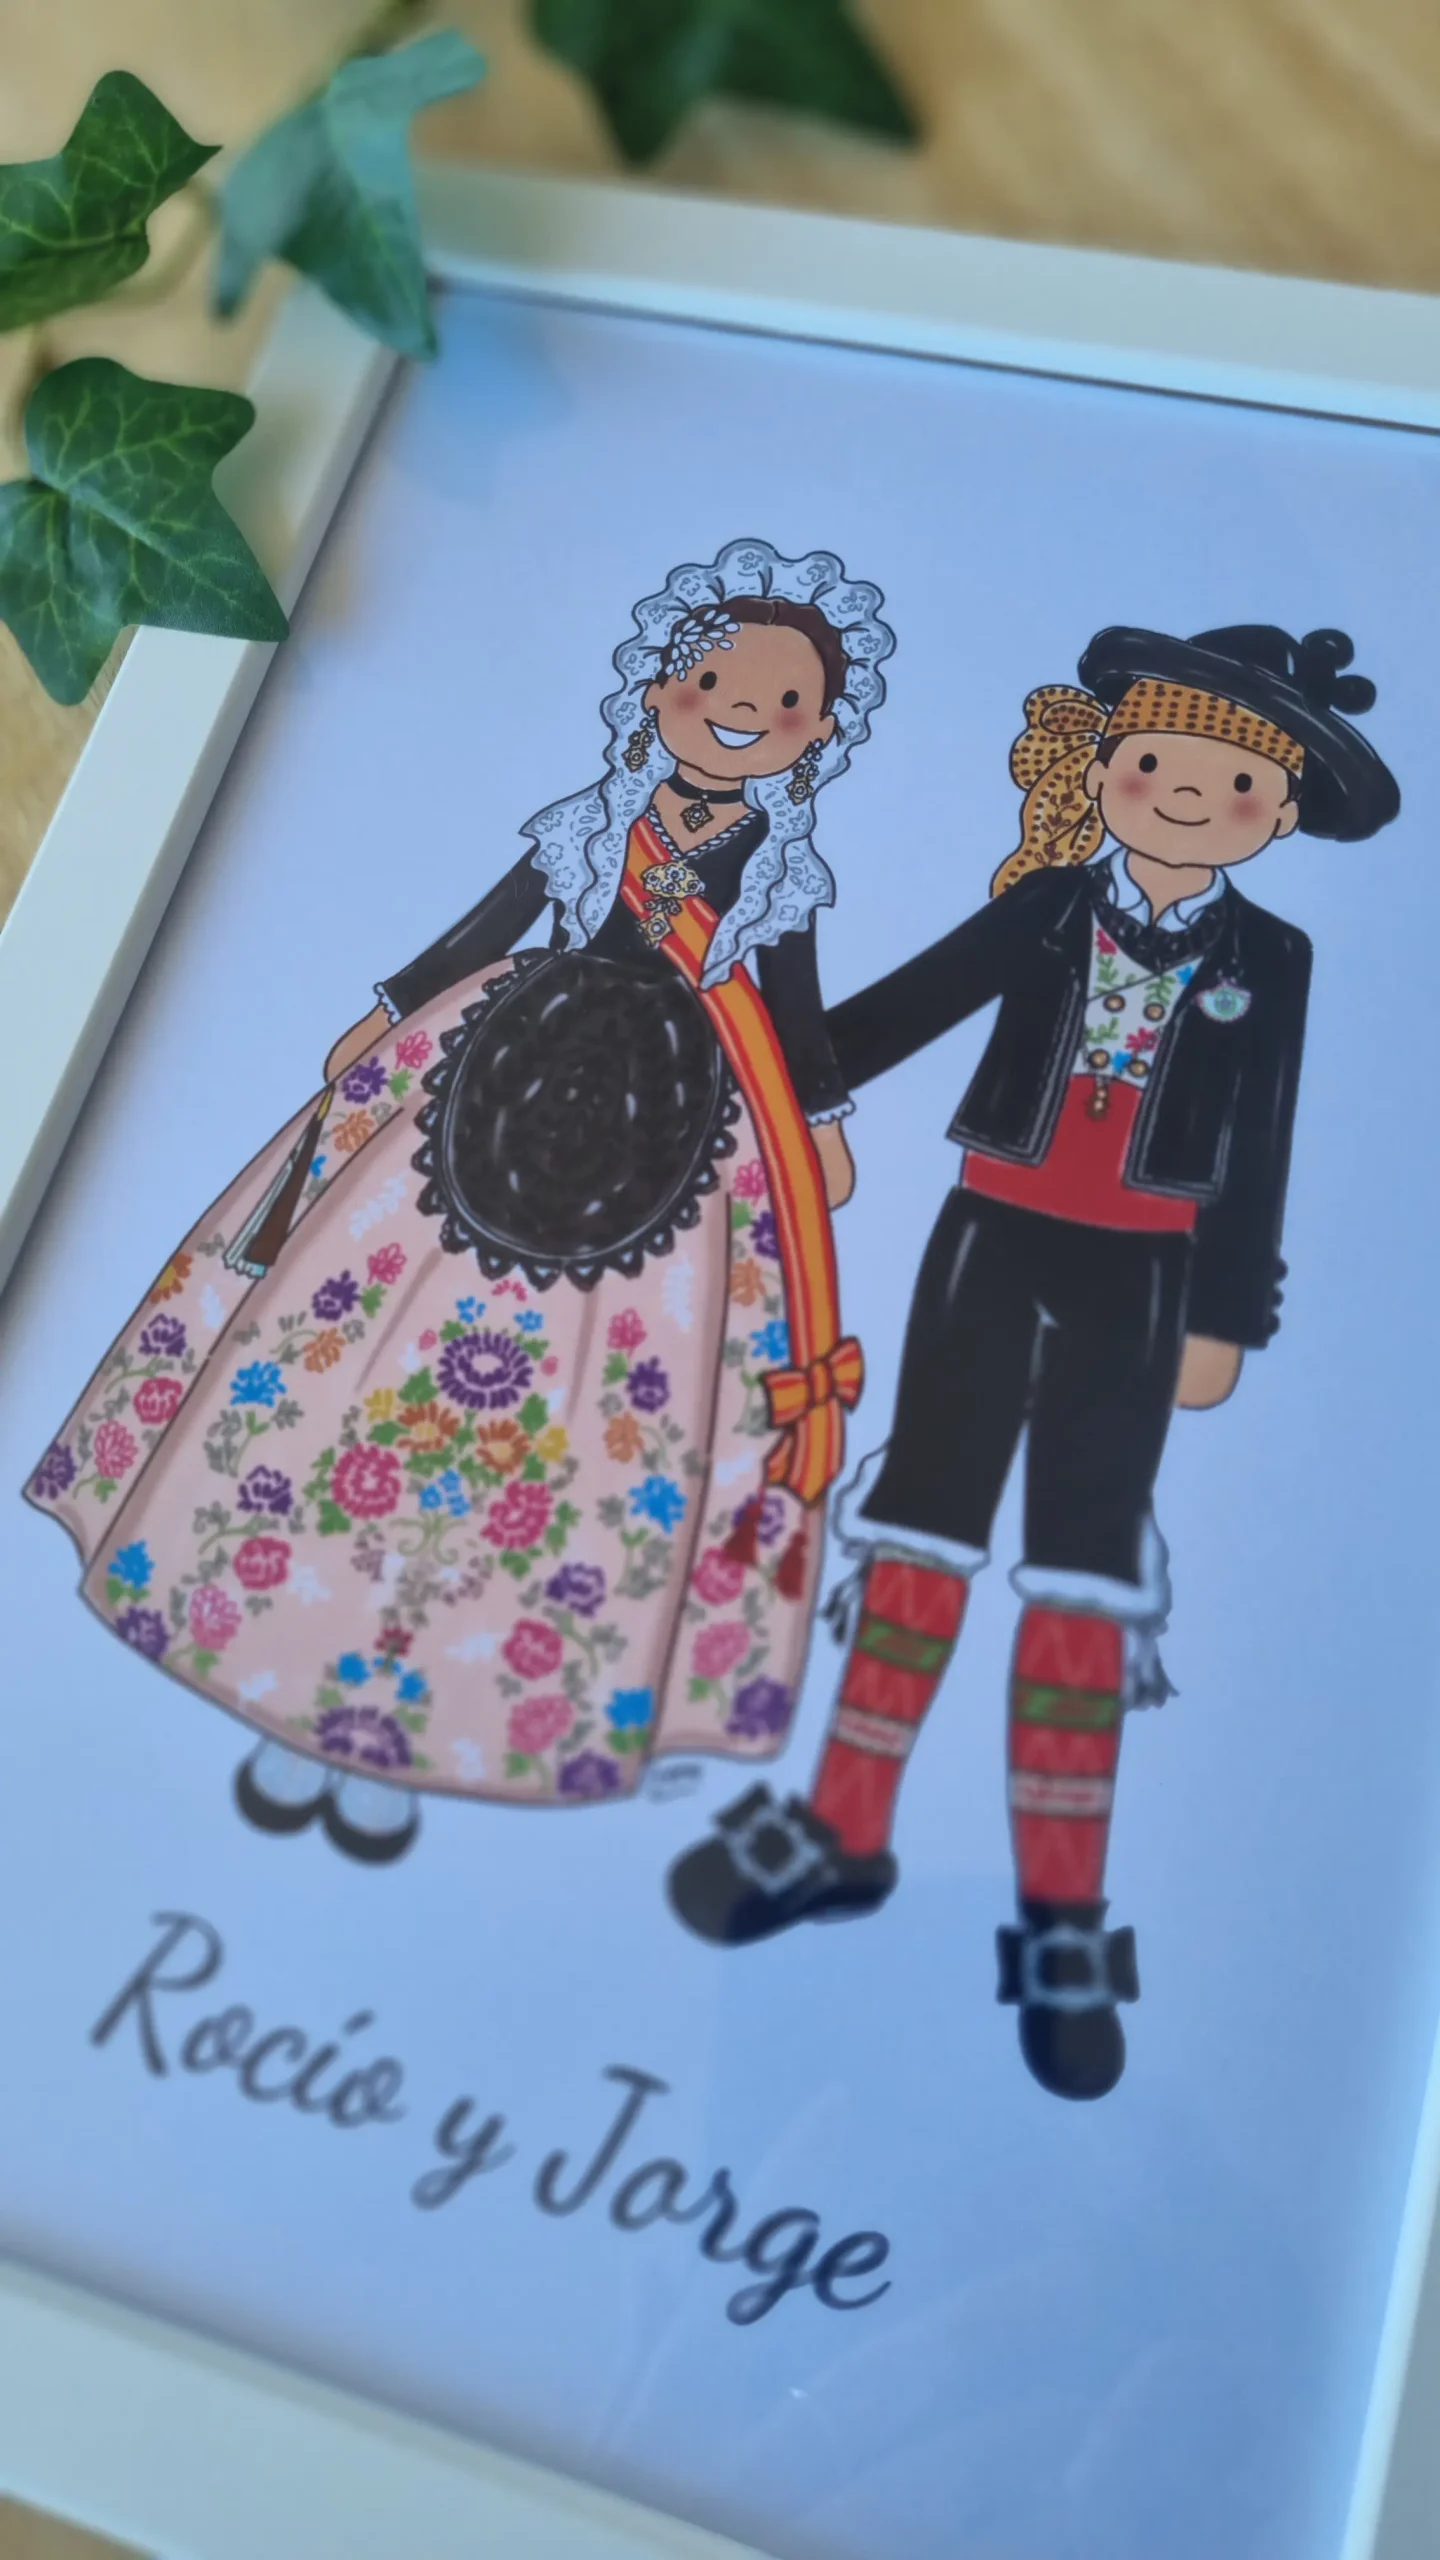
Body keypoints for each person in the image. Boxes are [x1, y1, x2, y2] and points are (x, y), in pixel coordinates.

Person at [27, 541, 892, 1865]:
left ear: (817, 732)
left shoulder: (778, 872)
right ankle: (275, 1671)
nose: (737, 713)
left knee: (587, 1432)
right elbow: (491, 924)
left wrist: (817, 1121)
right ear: (659, 686)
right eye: (713, 680)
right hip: (493, 1077)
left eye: (780, 702)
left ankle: (437, 1726)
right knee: (354, 1366)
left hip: (676, 1130)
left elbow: (796, 1005)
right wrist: (390, 1008)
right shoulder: (597, 817)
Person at [666, 622, 1399, 2102]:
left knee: (1084, 1566)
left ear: (1279, 815)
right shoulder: (1052, 906)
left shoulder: (1273, 958)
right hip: (987, 1243)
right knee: (921, 1523)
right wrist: (754, 1063)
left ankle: (1063, 1917)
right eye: (1158, 761)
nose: (1187, 796)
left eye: (1235, 784)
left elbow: (1260, 1144)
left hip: (1146, 1277)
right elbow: (896, 1015)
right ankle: (845, 1827)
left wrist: (1231, 1315)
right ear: (1110, 763)